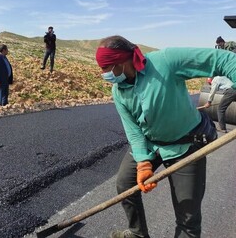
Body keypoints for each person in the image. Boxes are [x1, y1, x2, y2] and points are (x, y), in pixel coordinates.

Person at [95, 35, 236, 238]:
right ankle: (137, 233)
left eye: (106, 68)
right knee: (125, 184)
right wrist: (143, 163)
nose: (104, 74)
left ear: (122, 62)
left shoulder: (166, 61)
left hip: (185, 145)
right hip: (150, 144)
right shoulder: (119, 91)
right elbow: (133, 130)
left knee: (188, 216)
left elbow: (221, 59)